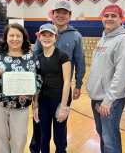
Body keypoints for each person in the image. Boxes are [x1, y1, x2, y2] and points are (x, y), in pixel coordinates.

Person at [30, 0, 86, 152]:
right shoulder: (43, 32)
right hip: (42, 91)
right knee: (39, 127)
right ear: (52, 14)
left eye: (64, 13)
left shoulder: (76, 36)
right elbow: (33, 59)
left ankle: (61, 149)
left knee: (60, 128)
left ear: (69, 15)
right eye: (58, 12)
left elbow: (80, 61)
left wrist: (78, 84)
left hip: (62, 90)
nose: (61, 15)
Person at [86, 4, 125, 153]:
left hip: (110, 100)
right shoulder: (104, 39)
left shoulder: (124, 41)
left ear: (122, 20)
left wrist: (108, 100)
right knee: (103, 136)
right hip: (97, 97)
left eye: (114, 16)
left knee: (110, 140)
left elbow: (123, 74)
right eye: (106, 15)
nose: (109, 18)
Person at [0, 23, 42, 153]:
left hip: (21, 105)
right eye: (11, 35)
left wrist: (31, 95)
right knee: (0, 141)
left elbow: (38, 79)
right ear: (6, 37)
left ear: (24, 38)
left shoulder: (31, 56)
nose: (15, 39)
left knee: (20, 140)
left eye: (18, 36)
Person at [34, 23, 71, 153]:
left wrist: (63, 105)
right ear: (39, 37)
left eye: (50, 35)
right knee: (44, 137)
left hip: (59, 101)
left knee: (59, 137)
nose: (47, 38)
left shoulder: (63, 56)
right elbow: (36, 85)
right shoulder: (37, 59)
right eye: (44, 35)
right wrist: (35, 106)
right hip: (43, 102)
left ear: (55, 38)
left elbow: (67, 82)